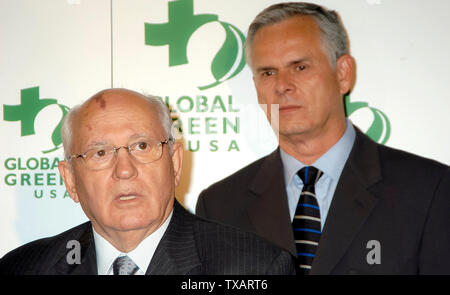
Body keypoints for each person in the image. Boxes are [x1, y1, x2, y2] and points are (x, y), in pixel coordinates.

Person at [196, 2, 450, 274]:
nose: (282, 85)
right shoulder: (219, 207)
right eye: (268, 72)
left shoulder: (429, 192)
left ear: (343, 74)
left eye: (300, 67)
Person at [0, 88, 295, 275]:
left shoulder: (254, 268)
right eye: (100, 152)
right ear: (70, 180)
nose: (124, 170)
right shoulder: (22, 268)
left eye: (142, 146)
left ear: (175, 163)